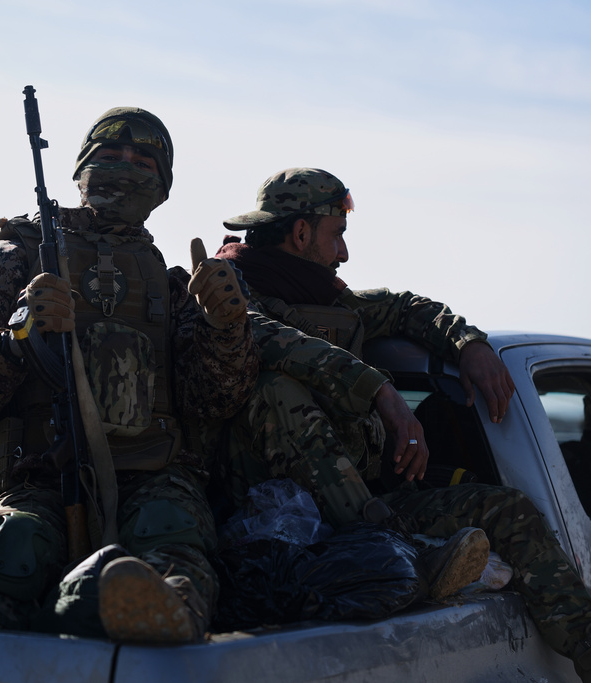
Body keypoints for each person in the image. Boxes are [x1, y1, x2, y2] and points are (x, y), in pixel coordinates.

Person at [217, 167, 591, 679]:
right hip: (278, 527)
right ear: (301, 233)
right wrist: (380, 391)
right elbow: (275, 342)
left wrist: (470, 344)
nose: (343, 254)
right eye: (337, 236)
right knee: (278, 388)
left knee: (507, 509)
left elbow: (410, 309)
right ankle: (403, 551)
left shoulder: (331, 302)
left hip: (370, 515)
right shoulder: (222, 298)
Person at [0, 106, 258, 642]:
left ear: (164, 187)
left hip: (154, 477)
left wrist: (226, 330)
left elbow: (216, 402)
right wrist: (19, 339)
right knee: (14, 558)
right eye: (108, 156)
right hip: (36, 476)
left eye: (144, 160)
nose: (125, 168)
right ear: (79, 171)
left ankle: (137, 620)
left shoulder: (172, 283)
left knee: (172, 545)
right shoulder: (11, 257)